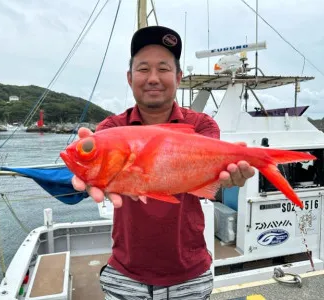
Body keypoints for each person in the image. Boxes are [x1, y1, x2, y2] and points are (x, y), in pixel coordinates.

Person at [72, 25, 255, 300]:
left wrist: (228, 176)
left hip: (191, 273)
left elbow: (210, 177)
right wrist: (89, 173)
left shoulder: (201, 125)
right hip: (125, 273)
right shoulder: (111, 128)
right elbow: (103, 171)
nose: (153, 78)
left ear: (179, 77)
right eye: (143, 69)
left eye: (164, 69)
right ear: (129, 77)